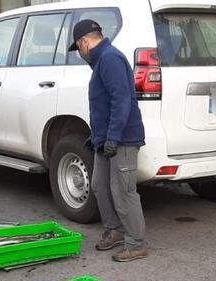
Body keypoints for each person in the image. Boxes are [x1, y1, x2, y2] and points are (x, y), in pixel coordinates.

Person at [69, 19, 148, 263]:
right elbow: (103, 105)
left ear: (84, 42)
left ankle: (136, 243)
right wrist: (96, 137)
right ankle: (115, 230)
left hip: (122, 139)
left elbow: (121, 100)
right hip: (105, 140)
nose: (80, 54)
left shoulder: (110, 59)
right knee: (99, 185)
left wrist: (113, 137)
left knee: (123, 191)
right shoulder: (101, 61)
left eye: (78, 48)